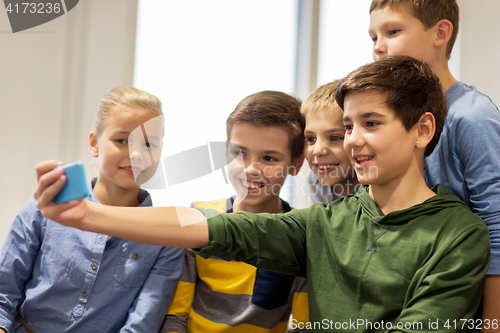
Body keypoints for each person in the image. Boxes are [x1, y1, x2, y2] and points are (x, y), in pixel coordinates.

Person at [34, 56, 490, 332]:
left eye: (371, 124)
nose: (352, 141)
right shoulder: (325, 223)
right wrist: (86, 216)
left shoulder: (459, 235)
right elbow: (212, 227)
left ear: (422, 129)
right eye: (349, 126)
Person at [0, 87, 185, 333]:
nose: (137, 153)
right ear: (94, 143)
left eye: (150, 144)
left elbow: (141, 324)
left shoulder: (166, 236)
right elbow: (3, 292)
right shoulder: (47, 208)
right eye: (122, 140)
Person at [368, 0, 500, 326]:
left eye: (392, 31)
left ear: (440, 33)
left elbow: (496, 227)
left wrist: (492, 322)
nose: (378, 47)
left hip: (463, 300)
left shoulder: (472, 117)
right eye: (373, 37)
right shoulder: (393, 122)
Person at [159, 90, 308, 333]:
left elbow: (303, 327)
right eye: (239, 153)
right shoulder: (198, 220)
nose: (251, 169)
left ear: (296, 164)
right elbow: (175, 316)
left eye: (269, 158)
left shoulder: (302, 233)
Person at [302, 79, 360, 204]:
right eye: (311, 139)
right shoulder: (315, 180)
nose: (318, 151)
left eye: (334, 138)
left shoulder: (375, 189)